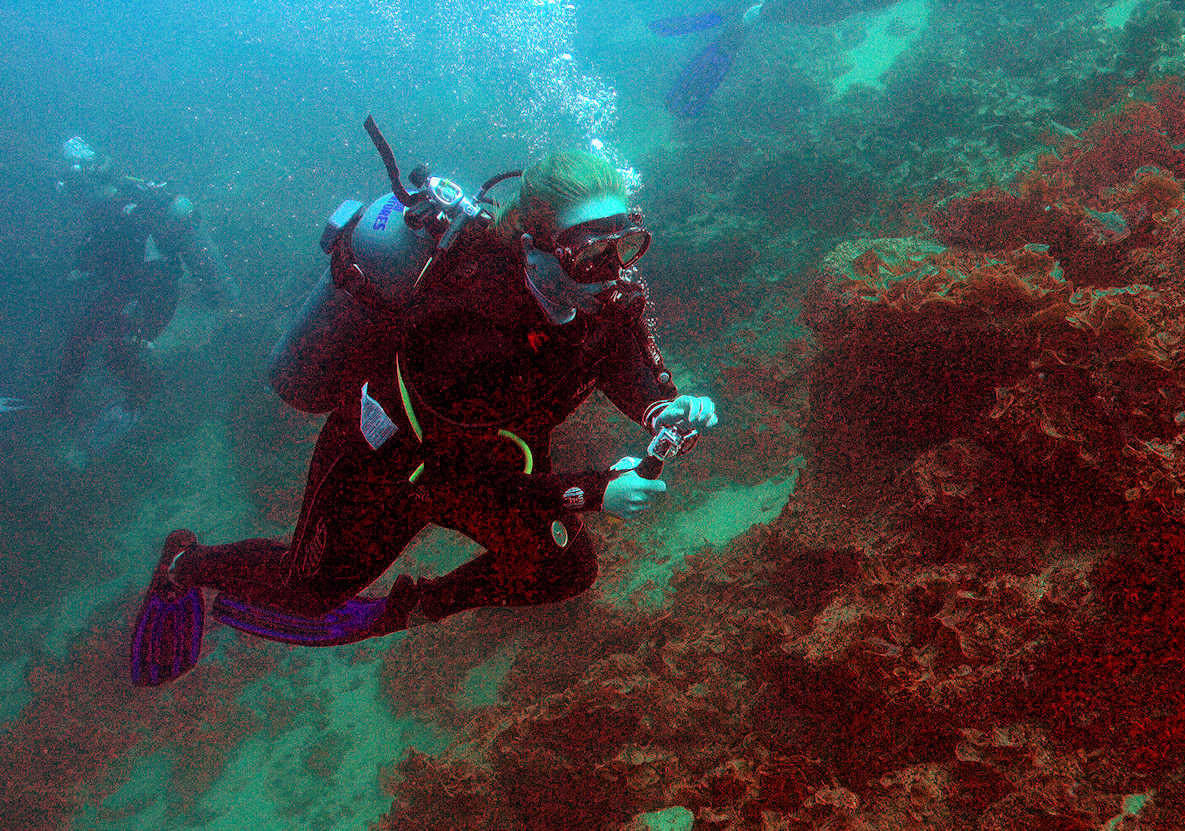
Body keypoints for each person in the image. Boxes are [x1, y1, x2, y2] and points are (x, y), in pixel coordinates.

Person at [130, 138, 718, 686]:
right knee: (305, 593)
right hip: (393, 465)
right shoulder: (468, 326)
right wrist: (593, 490)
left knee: (564, 569)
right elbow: (459, 472)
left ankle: (405, 610)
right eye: (591, 254)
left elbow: (620, 356)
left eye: (626, 245)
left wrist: (660, 407)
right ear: (534, 249)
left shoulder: (600, 292)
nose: (615, 270)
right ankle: (184, 564)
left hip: (492, 456)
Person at [47, 136, 234, 458]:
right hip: (142, 287)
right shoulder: (129, 197)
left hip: (150, 292)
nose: (73, 201)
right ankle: (62, 402)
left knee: (113, 351)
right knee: (86, 335)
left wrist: (93, 273)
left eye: (73, 192)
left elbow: (132, 259)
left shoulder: (117, 209)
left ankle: (140, 404)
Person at [653, 0, 898, 116]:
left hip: (806, 9)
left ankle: (733, 21)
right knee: (744, 17)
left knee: (745, 18)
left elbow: (824, 12)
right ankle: (733, 19)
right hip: (808, 9)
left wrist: (762, 12)